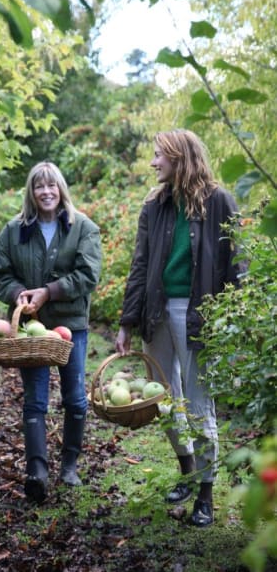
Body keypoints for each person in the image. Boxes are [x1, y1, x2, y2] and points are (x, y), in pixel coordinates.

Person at [116, 129, 245, 527]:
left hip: (200, 314)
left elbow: (238, 264)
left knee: (199, 402)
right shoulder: (154, 206)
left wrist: (235, 321)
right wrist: (126, 321)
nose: (153, 163)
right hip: (156, 313)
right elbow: (140, 266)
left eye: (159, 156)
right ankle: (188, 470)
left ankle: (205, 495)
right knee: (163, 398)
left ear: (179, 158)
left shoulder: (219, 201)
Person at [0, 161, 102, 503]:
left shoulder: (83, 228)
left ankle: (69, 465)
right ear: (31, 192)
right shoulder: (15, 230)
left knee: (75, 397)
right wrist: (17, 293)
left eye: (52, 186)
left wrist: (49, 291)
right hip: (30, 330)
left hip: (71, 326)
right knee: (35, 399)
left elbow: (88, 275)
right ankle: (37, 470)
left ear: (61, 189)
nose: (46, 192)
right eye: (39, 186)